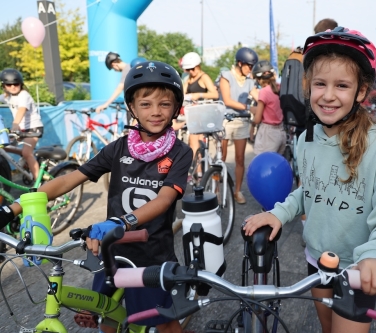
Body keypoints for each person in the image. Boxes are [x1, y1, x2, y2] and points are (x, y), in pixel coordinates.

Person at [243, 27, 376, 333]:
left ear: (361, 91)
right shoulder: (307, 139)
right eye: (320, 84)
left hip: (359, 266)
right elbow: (308, 191)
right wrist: (278, 213)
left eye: (342, 85)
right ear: (308, 86)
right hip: (317, 258)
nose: (329, 95)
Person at [0, 61, 192, 333]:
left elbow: (163, 200)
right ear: (132, 108)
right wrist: (14, 208)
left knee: (164, 324)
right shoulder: (119, 148)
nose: (156, 111)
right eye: (146, 104)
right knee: (106, 320)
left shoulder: (180, 152)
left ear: (175, 108)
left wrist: (121, 223)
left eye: (164, 104)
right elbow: (69, 180)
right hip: (110, 252)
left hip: (150, 255)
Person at [219, 47, 259, 204]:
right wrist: (249, 108)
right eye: (249, 66)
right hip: (226, 120)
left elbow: (259, 96)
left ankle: (237, 191)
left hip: (242, 121)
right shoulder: (226, 76)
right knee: (220, 158)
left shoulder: (250, 81)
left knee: (240, 158)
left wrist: (271, 95)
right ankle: (216, 190)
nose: (251, 69)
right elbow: (227, 100)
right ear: (240, 63)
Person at [181, 51, 219, 182]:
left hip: (204, 114)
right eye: (188, 69)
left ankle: (203, 173)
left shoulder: (204, 77)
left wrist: (198, 95)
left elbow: (215, 94)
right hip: (192, 114)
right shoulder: (189, 79)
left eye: (193, 68)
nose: (191, 71)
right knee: (192, 145)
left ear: (198, 65)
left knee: (199, 143)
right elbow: (182, 93)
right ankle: (198, 173)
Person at [0, 68, 44, 179]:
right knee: (2, 146)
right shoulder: (7, 96)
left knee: (27, 153)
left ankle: (38, 183)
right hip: (20, 129)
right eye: (9, 85)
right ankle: (24, 156)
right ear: (4, 86)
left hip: (33, 129)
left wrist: (15, 124)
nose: (13, 87)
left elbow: (22, 110)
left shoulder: (24, 95)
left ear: (21, 84)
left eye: (16, 84)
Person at [250, 60, 286, 155]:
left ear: (258, 79)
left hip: (268, 133)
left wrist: (253, 121)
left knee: (263, 163)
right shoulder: (280, 87)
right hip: (281, 131)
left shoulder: (264, 92)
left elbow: (257, 119)